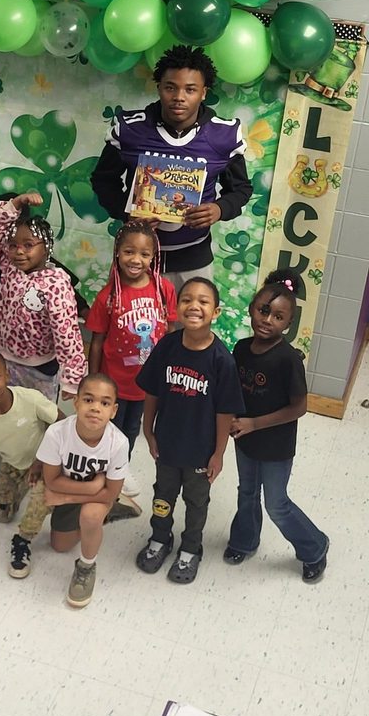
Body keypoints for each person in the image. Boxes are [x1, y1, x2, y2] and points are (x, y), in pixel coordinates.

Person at [90, 45, 252, 290]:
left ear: (203, 93)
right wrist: (127, 213)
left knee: (189, 326)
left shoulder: (223, 136)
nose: (179, 96)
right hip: (136, 258)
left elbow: (241, 189)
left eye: (190, 89)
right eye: (170, 87)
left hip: (193, 259)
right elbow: (103, 180)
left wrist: (219, 209)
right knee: (132, 327)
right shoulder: (130, 130)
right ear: (159, 88)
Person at [135, 277, 245, 584]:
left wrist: (219, 454)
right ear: (176, 307)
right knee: (163, 495)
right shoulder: (167, 346)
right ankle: (159, 538)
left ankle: (191, 548)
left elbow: (225, 411)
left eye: (203, 301)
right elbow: (152, 391)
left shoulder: (222, 360)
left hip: (200, 450)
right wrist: (148, 430)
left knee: (196, 502)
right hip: (167, 446)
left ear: (216, 312)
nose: (194, 306)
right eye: (186, 300)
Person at [224, 269, 329, 582]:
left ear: (288, 324)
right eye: (263, 310)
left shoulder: (288, 360)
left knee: (277, 504)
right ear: (252, 308)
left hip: (276, 447)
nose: (268, 320)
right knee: (246, 492)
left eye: (278, 316)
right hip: (245, 440)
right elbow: (233, 391)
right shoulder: (241, 349)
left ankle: (314, 547)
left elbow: (299, 407)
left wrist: (254, 423)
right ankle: (244, 539)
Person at [87, 221, 177, 496]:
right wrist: (93, 381)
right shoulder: (108, 297)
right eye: (129, 251)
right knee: (108, 431)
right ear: (117, 253)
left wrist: (166, 373)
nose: (136, 260)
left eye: (144, 254)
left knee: (131, 430)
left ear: (154, 256)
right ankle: (101, 472)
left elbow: (170, 332)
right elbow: (97, 342)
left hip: (145, 384)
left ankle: (119, 471)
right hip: (113, 383)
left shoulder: (164, 290)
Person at [36, 374, 128, 608]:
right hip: (84, 488)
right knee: (59, 545)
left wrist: (65, 496)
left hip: (98, 496)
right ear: (75, 402)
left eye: (104, 403)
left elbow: (109, 493)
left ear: (114, 410)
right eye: (88, 400)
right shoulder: (57, 433)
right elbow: (52, 481)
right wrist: (90, 487)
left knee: (90, 516)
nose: (96, 408)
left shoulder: (118, 442)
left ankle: (86, 567)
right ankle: (103, 519)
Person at [0, 349, 61, 578]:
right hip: (13, 465)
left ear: (7, 375)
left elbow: (62, 425)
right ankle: (23, 489)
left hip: (47, 462)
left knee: (40, 504)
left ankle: (23, 541)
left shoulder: (30, 399)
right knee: (1, 515)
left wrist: (41, 461)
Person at [0, 191, 86, 400]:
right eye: (13, 245)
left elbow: (67, 333)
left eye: (29, 245)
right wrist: (16, 203)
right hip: (3, 359)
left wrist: (72, 378)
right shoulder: (9, 267)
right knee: (8, 412)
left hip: (40, 368)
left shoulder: (56, 283)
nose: (19, 251)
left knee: (38, 417)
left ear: (46, 247)